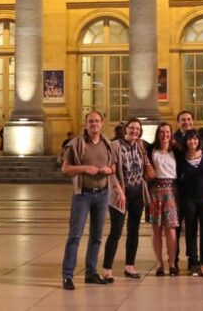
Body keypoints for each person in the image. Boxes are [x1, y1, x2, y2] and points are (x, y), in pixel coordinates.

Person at [60, 111, 124, 290]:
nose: (94, 124)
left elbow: (113, 167)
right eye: (91, 121)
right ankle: (67, 275)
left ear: (102, 124)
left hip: (102, 194)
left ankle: (91, 272)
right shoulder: (76, 144)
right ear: (85, 124)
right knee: (75, 235)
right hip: (83, 195)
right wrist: (84, 168)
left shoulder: (107, 144)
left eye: (97, 121)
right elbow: (65, 169)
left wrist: (108, 171)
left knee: (96, 236)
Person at [104, 118, 149, 281]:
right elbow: (111, 171)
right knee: (115, 232)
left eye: (137, 129)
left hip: (137, 194)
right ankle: (107, 269)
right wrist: (119, 191)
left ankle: (130, 266)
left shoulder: (140, 145)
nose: (134, 131)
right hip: (120, 195)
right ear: (125, 129)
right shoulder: (115, 145)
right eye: (132, 128)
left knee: (134, 232)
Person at [177, 129, 203, 277]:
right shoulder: (181, 158)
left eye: (195, 139)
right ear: (186, 142)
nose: (192, 141)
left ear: (198, 140)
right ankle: (193, 263)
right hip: (188, 200)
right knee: (191, 231)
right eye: (189, 139)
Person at [148, 122, 180, 276]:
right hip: (155, 192)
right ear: (158, 134)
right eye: (162, 132)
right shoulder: (151, 150)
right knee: (156, 229)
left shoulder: (177, 151)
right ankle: (159, 263)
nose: (165, 135)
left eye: (167, 132)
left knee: (171, 229)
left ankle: (172, 262)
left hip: (172, 192)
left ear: (171, 134)